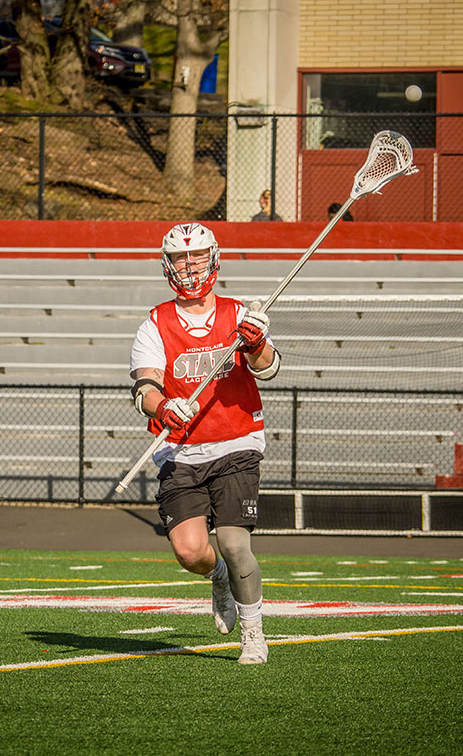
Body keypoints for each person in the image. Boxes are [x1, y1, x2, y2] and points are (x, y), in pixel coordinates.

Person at [128, 222, 281, 664]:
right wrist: (163, 409)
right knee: (190, 550)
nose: (189, 267)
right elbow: (145, 388)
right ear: (167, 265)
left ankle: (253, 633)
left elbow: (269, 368)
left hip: (236, 441)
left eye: (196, 257)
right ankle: (217, 578)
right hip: (182, 451)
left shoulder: (239, 315)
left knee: (235, 544)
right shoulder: (155, 325)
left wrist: (255, 345)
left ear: (212, 259)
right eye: (180, 258)